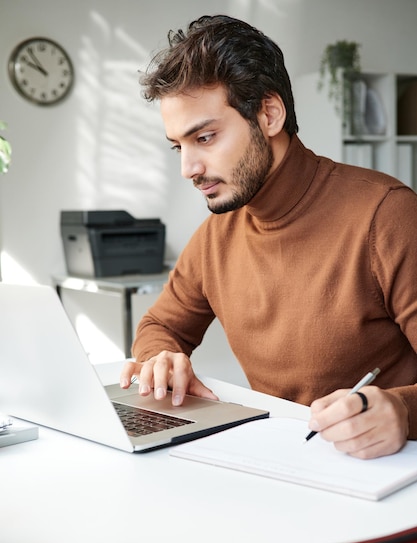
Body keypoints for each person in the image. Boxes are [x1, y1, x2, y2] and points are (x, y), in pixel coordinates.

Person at [120, 14, 417, 459]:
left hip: (382, 474)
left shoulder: (387, 215)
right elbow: (159, 325)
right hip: (282, 463)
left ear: (269, 114)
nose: (189, 169)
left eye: (205, 137)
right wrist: (160, 357)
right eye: (180, 146)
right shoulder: (215, 237)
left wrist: (402, 410)